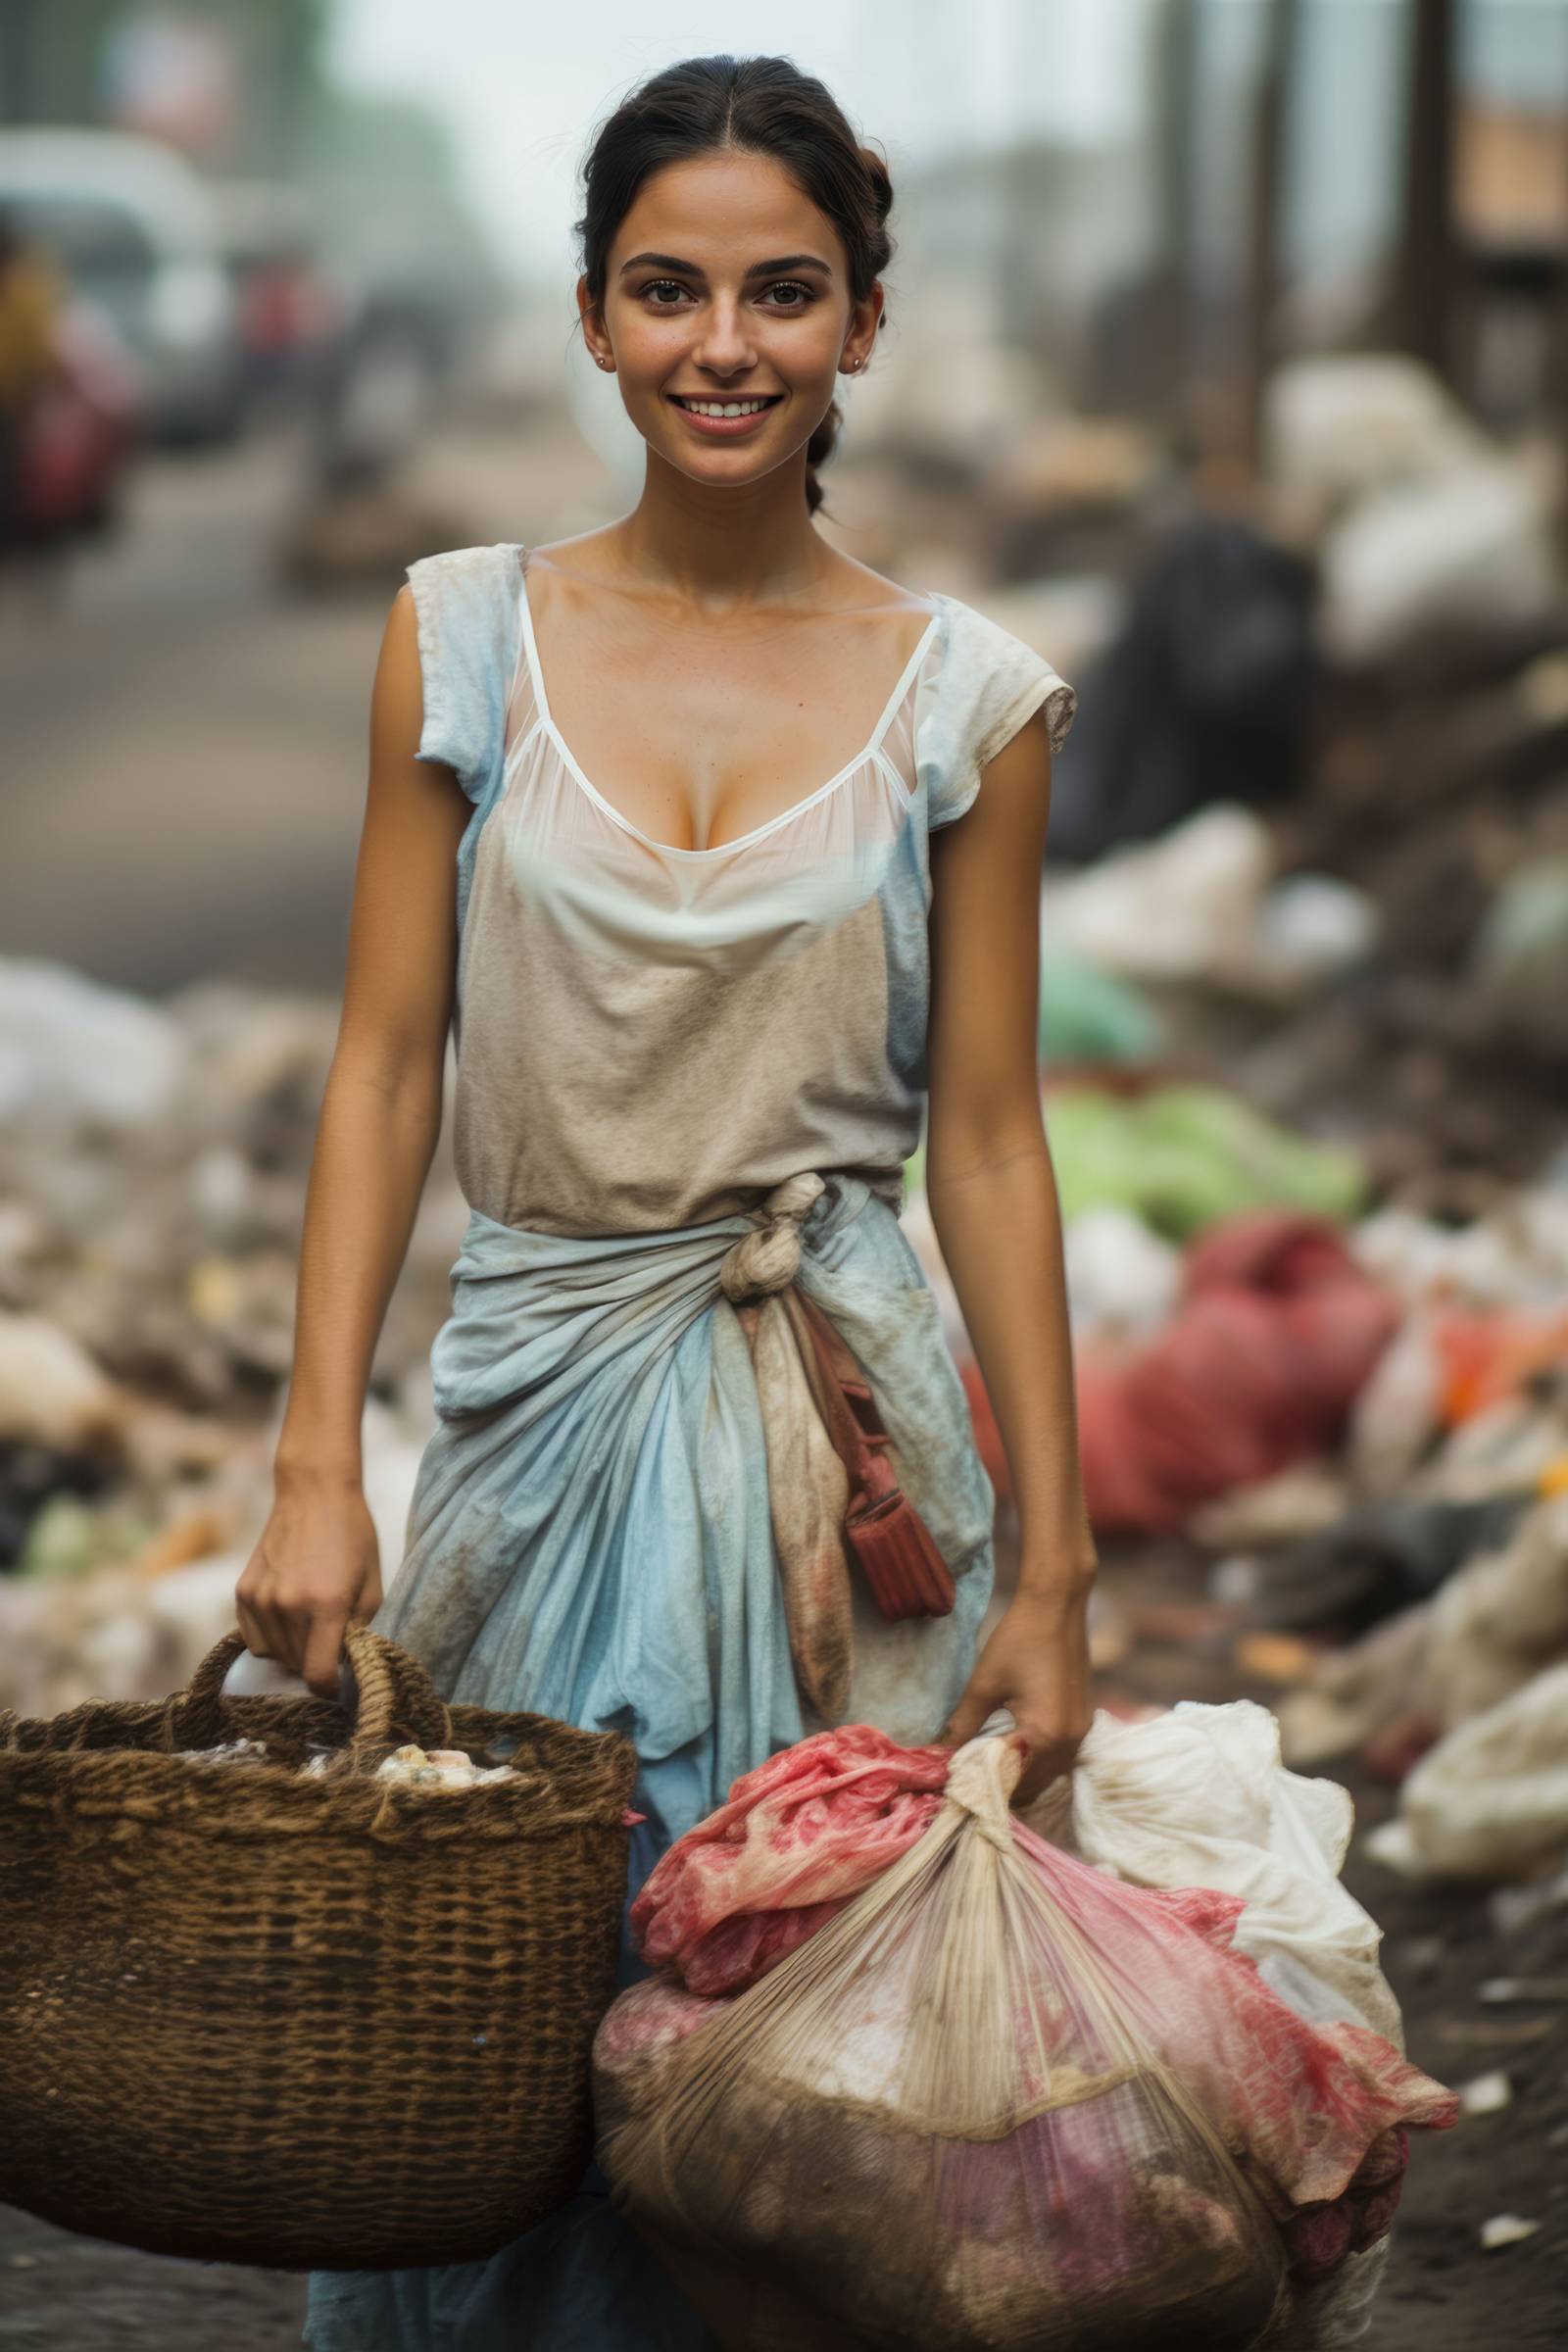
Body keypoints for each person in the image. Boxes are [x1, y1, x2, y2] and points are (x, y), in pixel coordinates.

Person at [235, 51, 1094, 2352]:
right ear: (597, 318)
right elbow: (385, 1061)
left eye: (782, 293)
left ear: (860, 326)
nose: (726, 343)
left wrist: (1063, 1568)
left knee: (812, 2085)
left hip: (852, 1458)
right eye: (670, 289)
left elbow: (993, 1142)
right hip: (530, 1411)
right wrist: (318, 1463)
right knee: (493, 2045)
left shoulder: (967, 702)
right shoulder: (464, 632)